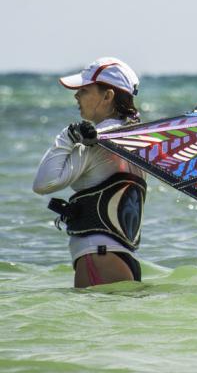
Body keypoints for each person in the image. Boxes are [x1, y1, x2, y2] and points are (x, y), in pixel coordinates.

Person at [33, 57, 147, 288]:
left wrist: (67, 137)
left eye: (84, 90)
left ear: (108, 96)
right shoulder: (138, 137)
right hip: (123, 256)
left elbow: (44, 184)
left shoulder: (97, 141)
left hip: (98, 255)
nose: (76, 96)